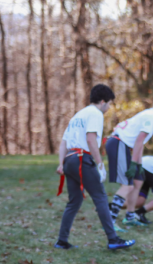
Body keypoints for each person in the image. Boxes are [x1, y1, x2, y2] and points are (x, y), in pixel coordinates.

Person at [55, 84, 135, 250]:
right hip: (81, 159)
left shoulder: (78, 115)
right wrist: (100, 164)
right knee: (100, 197)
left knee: (74, 201)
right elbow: (91, 139)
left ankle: (62, 240)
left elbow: (64, 142)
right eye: (110, 104)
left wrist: (61, 163)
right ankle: (113, 238)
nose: (109, 108)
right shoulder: (95, 114)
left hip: (70, 159)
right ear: (103, 101)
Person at [105, 92, 153, 228]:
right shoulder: (152, 117)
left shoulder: (151, 115)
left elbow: (140, 143)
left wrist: (139, 164)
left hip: (122, 145)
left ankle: (130, 217)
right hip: (118, 144)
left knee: (137, 182)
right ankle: (110, 221)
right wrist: (133, 163)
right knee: (127, 185)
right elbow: (139, 140)